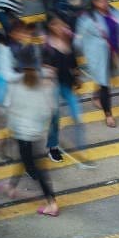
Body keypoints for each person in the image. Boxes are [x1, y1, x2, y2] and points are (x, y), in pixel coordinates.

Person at [0, 47, 58, 217]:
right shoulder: (44, 83)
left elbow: (6, 106)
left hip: (21, 131)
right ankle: (11, 187)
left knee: (35, 166)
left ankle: (52, 203)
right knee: (25, 158)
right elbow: (50, 109)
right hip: (36, 131)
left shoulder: (15, 82)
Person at [74, 0, 119, 128]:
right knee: (105, 84)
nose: (105, 1)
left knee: (105, 78)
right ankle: (108, 115)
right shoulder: (87, 19)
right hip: (97, 56)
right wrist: (82, 52)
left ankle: (96, 95)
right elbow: (78, 39)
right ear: (94, 2)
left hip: (113, 53)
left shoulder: (116, 13)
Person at [42, 17, 94, 168]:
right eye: (58, 24)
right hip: (53, 86)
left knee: (77, 114)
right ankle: (53, 147)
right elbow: (45, 69)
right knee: (55, 118)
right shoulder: (47, 47)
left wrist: (77, 77)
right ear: (51, 27)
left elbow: (73, 62)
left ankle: (80, 149)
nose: (62, 27)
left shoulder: (67, 40)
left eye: (62, 24)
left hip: (67, 83)